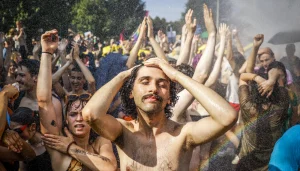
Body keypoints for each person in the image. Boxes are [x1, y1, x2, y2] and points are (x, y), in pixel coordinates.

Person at [82, 53, 237, 171]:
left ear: (169, 96)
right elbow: (90, 114)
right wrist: (125, 75)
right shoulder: (123, 132)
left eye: (162, 84)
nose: (153, 89)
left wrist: (175, 75)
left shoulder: (182, 135)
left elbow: (227, 117)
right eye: (145, 82)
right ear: (131, 92)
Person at [37, 29, 117, 171]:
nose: (79, 119)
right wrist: (46, 52)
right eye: (73, 114)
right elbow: (44, 101)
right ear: (66, 119)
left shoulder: (101, 142)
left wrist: (71, 148)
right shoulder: (57, 144)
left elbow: (109, 168)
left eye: (83, 114)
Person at [237, 54, 289, 170]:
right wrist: (271, 81)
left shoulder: (247, 107)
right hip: (271, 165)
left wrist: (258, 79)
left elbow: (242, 77)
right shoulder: (279, 107)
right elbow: (279, 74)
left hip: (246, 165)